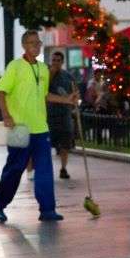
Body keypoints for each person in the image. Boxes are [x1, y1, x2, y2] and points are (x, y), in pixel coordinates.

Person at [0, 30, 73, 223]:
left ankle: (47, 209)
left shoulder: (43, 68)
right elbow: (0, 91)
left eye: (38, 43)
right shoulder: (15, 67)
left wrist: (66, 100)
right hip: (19, 128)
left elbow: (44, 96)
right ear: (24, 45)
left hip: (40, 128)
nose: (36, 46)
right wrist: (7, 115)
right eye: (32, 43)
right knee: (15, 169)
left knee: (44, 169)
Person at [46, 51, 79, 180]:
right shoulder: (47, 75)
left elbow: (75, 92)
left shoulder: (68, 77)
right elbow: (42, 89)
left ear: (62, 62)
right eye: (53, 60)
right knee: (47, 145)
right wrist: (51, 73)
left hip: (65, 115)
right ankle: (45, 169)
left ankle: (63, 168)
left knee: (65, 145)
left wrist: (75, 101)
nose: (55, 63)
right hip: (50, 116)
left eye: (58, 60)